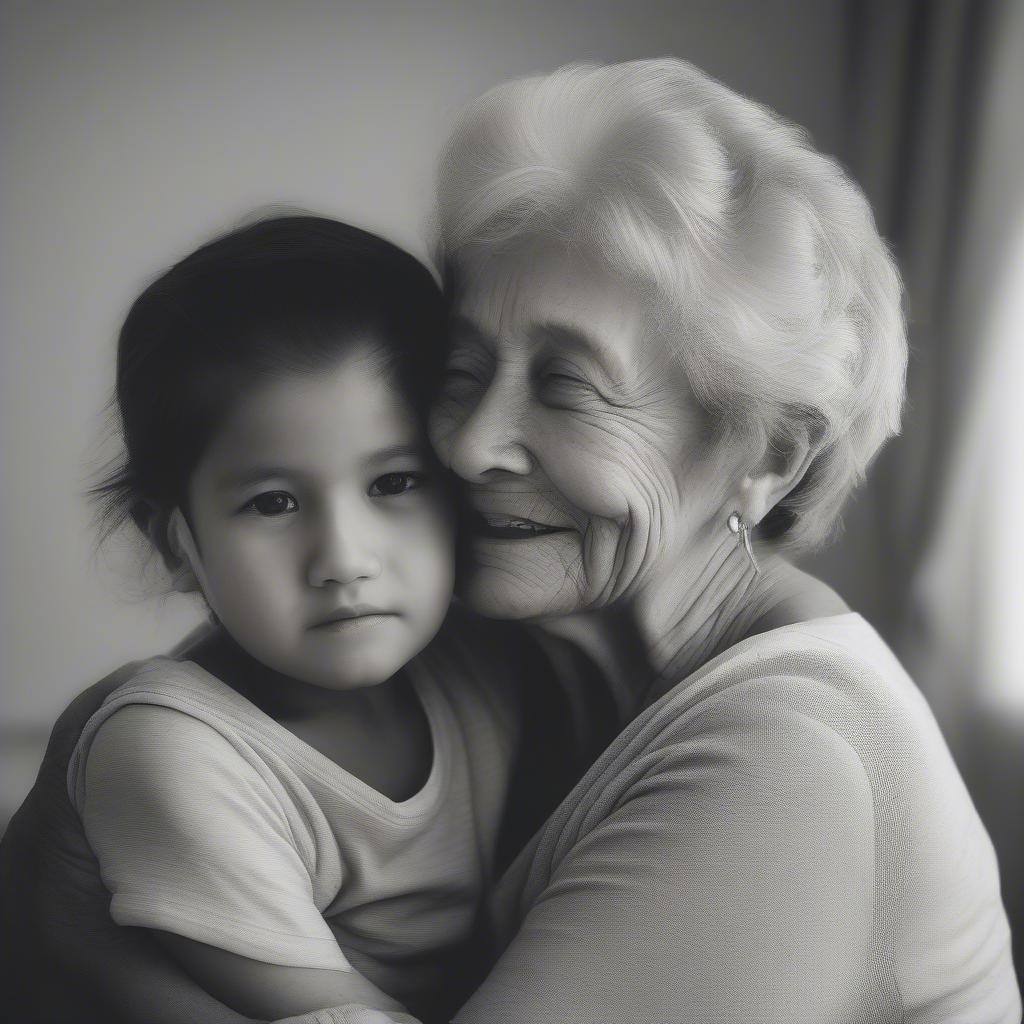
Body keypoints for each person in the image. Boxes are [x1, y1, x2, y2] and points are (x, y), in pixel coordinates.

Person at [1, 59, 1020, 1023]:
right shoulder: (515, 658)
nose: (470, 441)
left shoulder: (794, 766)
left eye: (567, 385)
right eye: (462, 368)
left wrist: (72, 953)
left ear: (766, 454)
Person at [9, 215, 606, 1023]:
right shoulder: (176, 753)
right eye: (273, 503)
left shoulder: (490, 654)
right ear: (179, 543)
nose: (343, 558)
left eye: (394, 483)